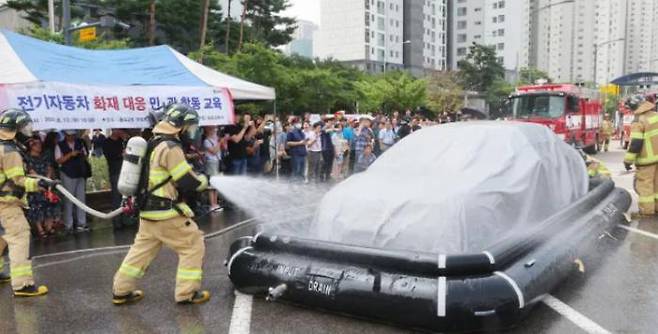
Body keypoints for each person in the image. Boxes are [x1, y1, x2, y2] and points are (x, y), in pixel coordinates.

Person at [112, 103, 210, 305]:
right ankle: (186, 293)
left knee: (140, 252)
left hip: (148, 212)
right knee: (192, 244)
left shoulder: (153, 142)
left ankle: (121, 290)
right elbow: (185, 180)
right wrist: (205, 181)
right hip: (166, 213)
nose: (191, 133)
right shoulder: (171, 147)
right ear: (180, 126)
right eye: (190, 127)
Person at [0, 109, 55, 297]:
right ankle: (23, 285)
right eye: (24, 127)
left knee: (2, 238)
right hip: (6, 205)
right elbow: (17, 180)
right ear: (14, 129)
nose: (28, 132)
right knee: (19, 237)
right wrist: (39, 183)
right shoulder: (9, 151)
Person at [623, 95, 658, 216]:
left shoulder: (638, 121)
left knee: (645, 187)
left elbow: (636, 144)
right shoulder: (656, 116)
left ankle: (646, 212)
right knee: (657, 186)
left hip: (646, 161)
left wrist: (627, 161)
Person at [25, 136, 60, 239]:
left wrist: (48, 180)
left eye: (40, 144)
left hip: (47, 183)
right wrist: (39, 183)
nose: (39, 146)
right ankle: (40, 228)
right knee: (36, 206)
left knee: (51, 203)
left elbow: (49, 168)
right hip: (34, 185)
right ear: (31, 146)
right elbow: (31, 172)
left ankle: (49, 226)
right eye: (36, 144)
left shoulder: (44, 156)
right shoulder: (27, 158)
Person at [55, 130, 90, 233]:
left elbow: (85, 154)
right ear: (65, 135)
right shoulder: (60, 145)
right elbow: (58, 160)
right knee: (68, 199)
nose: (72, 137)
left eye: (73, 135)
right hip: (67, 173)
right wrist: (70, 154)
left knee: (81, 199)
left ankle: (81, 223)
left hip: (80, 172)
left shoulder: (80, 142)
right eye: (69, 135)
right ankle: (68, 224)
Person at [103, 129, 128, 230]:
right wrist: (120, 155)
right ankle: (117, 222)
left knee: (126, 197)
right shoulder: (107, 142)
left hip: (125, 171)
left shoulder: (122, 142)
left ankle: (126, 220)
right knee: (116, 197)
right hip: (115, 172)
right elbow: (110, 156)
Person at [202, 126, 223, 211]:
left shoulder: (215, 139)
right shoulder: (206, 141)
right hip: (211, 163)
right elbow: (214, 151)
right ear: (207, 130)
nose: (215, 130)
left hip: (217, 162)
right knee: (211, 185)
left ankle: (216, 203)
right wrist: (220, 142)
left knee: (217, 184)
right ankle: (212, 204)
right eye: (213, 129)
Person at [286, 118, 307, 182]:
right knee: (296, 171)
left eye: (300, 122)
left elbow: (303, 141)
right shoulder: (291, 132)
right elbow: (288, 143)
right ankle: (294, 187)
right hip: (296, 154)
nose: (300, 124)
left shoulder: (302, 132)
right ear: (294, 123)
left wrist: (305, 142)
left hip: (303, 154)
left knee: (302, 172)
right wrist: (299, 143)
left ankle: (301, 186)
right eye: (298, 122)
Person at [320, 118, 335, 182]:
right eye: (330, 121)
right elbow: (323, 130)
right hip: (325, 149)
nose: (331, 123)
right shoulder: (324, 130)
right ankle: (321, 176)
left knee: (330, 163)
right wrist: (328, 125)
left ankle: (327, 176)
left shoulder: (331, 130)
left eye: (332, 122)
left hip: (331, 148)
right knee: (325, 163)